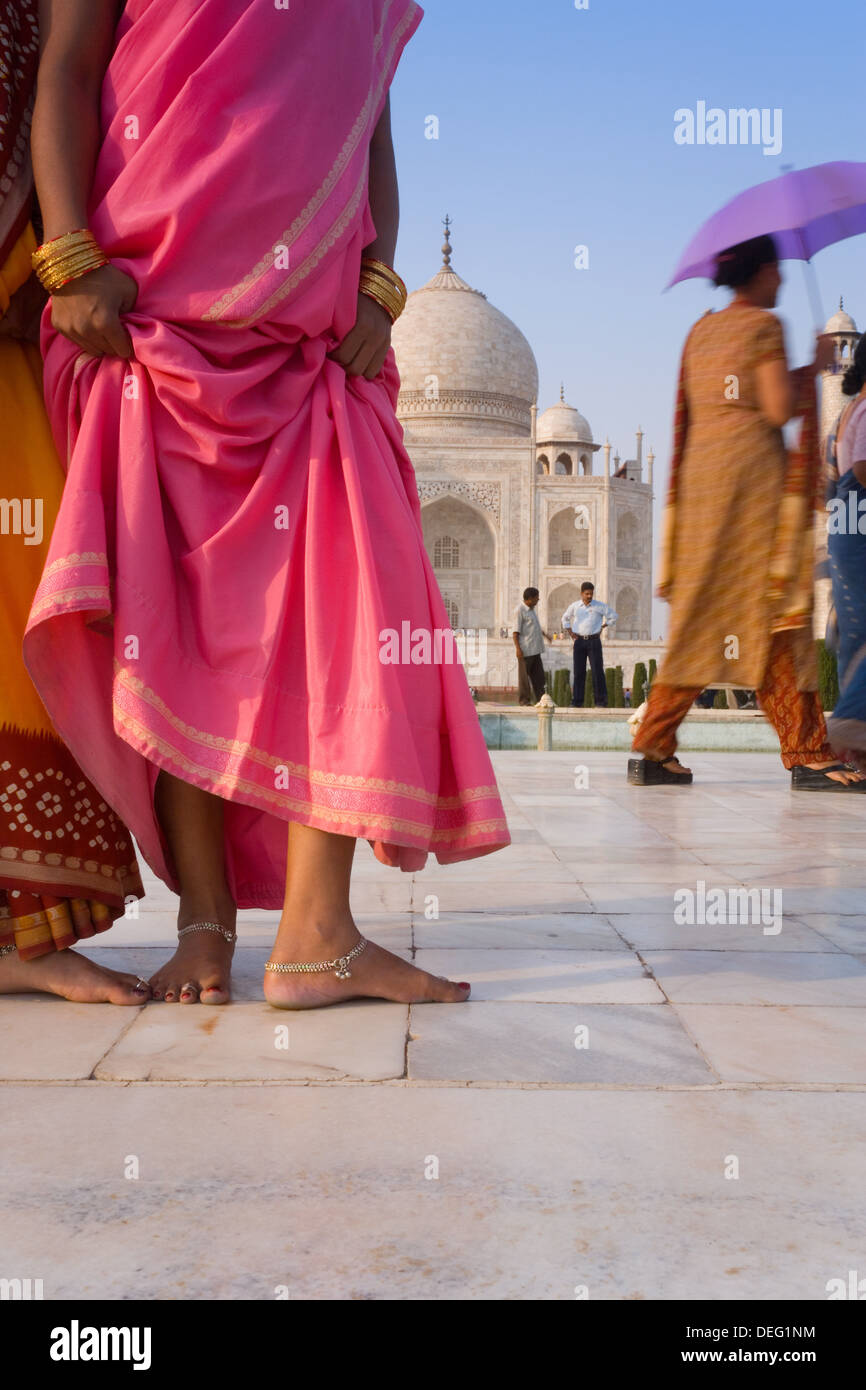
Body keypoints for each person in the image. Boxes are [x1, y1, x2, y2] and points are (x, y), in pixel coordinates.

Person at [24, 0, 508, 1010]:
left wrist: (381, 287)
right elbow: (68, 69)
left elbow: (365, 111)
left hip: (315, 337)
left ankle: (316, 935)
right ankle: (205, 925)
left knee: (345, 614)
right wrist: (67, 254)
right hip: (149, 315)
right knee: (179, 626)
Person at [0, 2, 147, 1004]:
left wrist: (63, 258)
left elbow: (70, 75)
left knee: (37, 615)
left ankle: (18, 934)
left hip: (23, 321)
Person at [631, 234, 864, 790]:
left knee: (701, 622)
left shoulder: (700, 332)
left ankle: (652, 747)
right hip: (752, 492)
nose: (782, 280)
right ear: (758, 273)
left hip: (701, 494)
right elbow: (778, 407)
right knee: (779, 610)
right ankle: (808, 753)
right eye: (776, 271)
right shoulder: (762, 326)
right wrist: (814, 367)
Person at [826, 334, 866, 762]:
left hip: (845, 528)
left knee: (857, 639)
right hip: (859, 529)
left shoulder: (845, 415)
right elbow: (861, 469)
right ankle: (850, 724)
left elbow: (831, 482)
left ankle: (855, 753)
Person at [563, 583, 617, 707]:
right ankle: (577, 701)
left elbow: (613, 616)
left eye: (591, 594)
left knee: (597, 672)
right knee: (579, 672)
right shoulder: (575, 606)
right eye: (587, 594)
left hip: (594, 641)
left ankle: (601, 702)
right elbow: (565, 618)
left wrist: (603, 626)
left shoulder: (599, 606)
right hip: (579, 641)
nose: (589, 596)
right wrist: (570, 632)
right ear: (581, 593)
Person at [512, 587, 550, 705]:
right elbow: (515, 632)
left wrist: (545, 635)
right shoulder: (520, 610)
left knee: (539, 677)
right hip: (525, 650)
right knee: (524, 678)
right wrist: (518, 649)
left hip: (535, 649)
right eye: (536, 597)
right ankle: (524, 701)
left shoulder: (531, 610)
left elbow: (535, 627)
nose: (538, 600)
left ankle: (541, 700)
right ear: (530, 598)